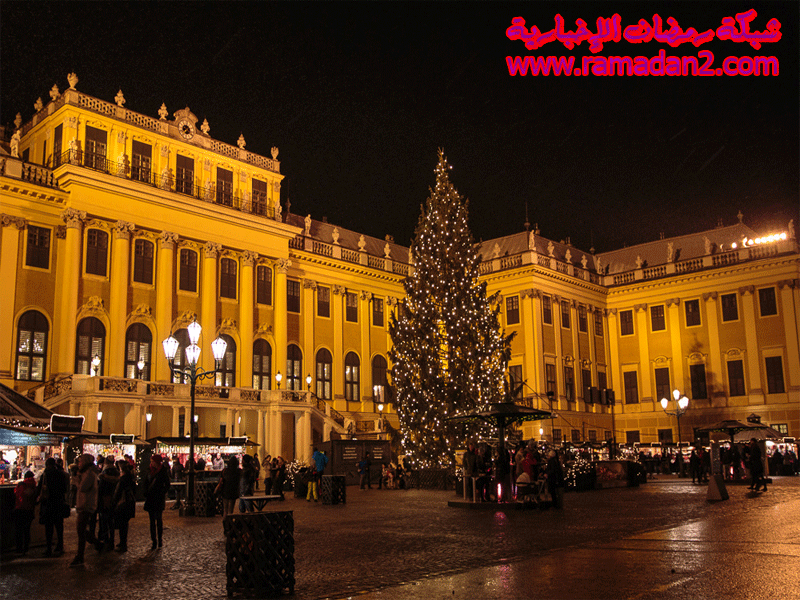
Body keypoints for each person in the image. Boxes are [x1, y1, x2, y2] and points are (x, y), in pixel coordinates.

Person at [37, 457, 70, 557]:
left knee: (49, 527)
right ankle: (60, 545)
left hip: (48, 504)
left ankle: (49, 548)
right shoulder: (60, 474)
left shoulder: (45, 475)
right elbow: (64, 488)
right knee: (59, 526)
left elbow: (40, 488)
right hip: (58, 503)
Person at [71, 453, 99, 567]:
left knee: (81, 530)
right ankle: (98, 544)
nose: (79, 464)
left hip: (86, 505)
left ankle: (80, 555)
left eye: (81, 462)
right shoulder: (85, 474)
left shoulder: (90, 475)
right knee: (81, 530)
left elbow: (82, 487)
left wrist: (76, 479)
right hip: (82, 504)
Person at [143, 454, 171, 549]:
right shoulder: (149, 471)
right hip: (150, 498)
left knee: (158, 519)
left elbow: (167, 484)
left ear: (157, 462)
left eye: (153, 461)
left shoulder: (163, 471)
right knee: (151, 521)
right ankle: (153, 541)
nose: (151, 463)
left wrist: (162, 492)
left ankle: (160, 540)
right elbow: (145, 483)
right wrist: (145, 492)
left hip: (158, 498)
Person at [96, 456, 120, 552]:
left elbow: (101, 489)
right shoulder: (117, 473)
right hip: (113, 500)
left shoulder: (104, 474)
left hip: (105, 500)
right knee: (111, 521)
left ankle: (106, 540)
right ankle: (111, 540)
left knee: (104, 521)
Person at [112, 460, 136, 552]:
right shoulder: (130, 478)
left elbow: (118, 493)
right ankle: (122, 542)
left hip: (123, 504)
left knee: (122, 524)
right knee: (124, 524)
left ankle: (123, 544)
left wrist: (114, 502)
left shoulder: (123, 479)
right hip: (128, 504)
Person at [13, 471, 37, 554]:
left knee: (19, 529)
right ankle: (26, 547)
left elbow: (16, 494)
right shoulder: (34, 486)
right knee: (27, 530)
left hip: (19, 509)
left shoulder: (21, 484)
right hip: (29, 510)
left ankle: (19, 548)